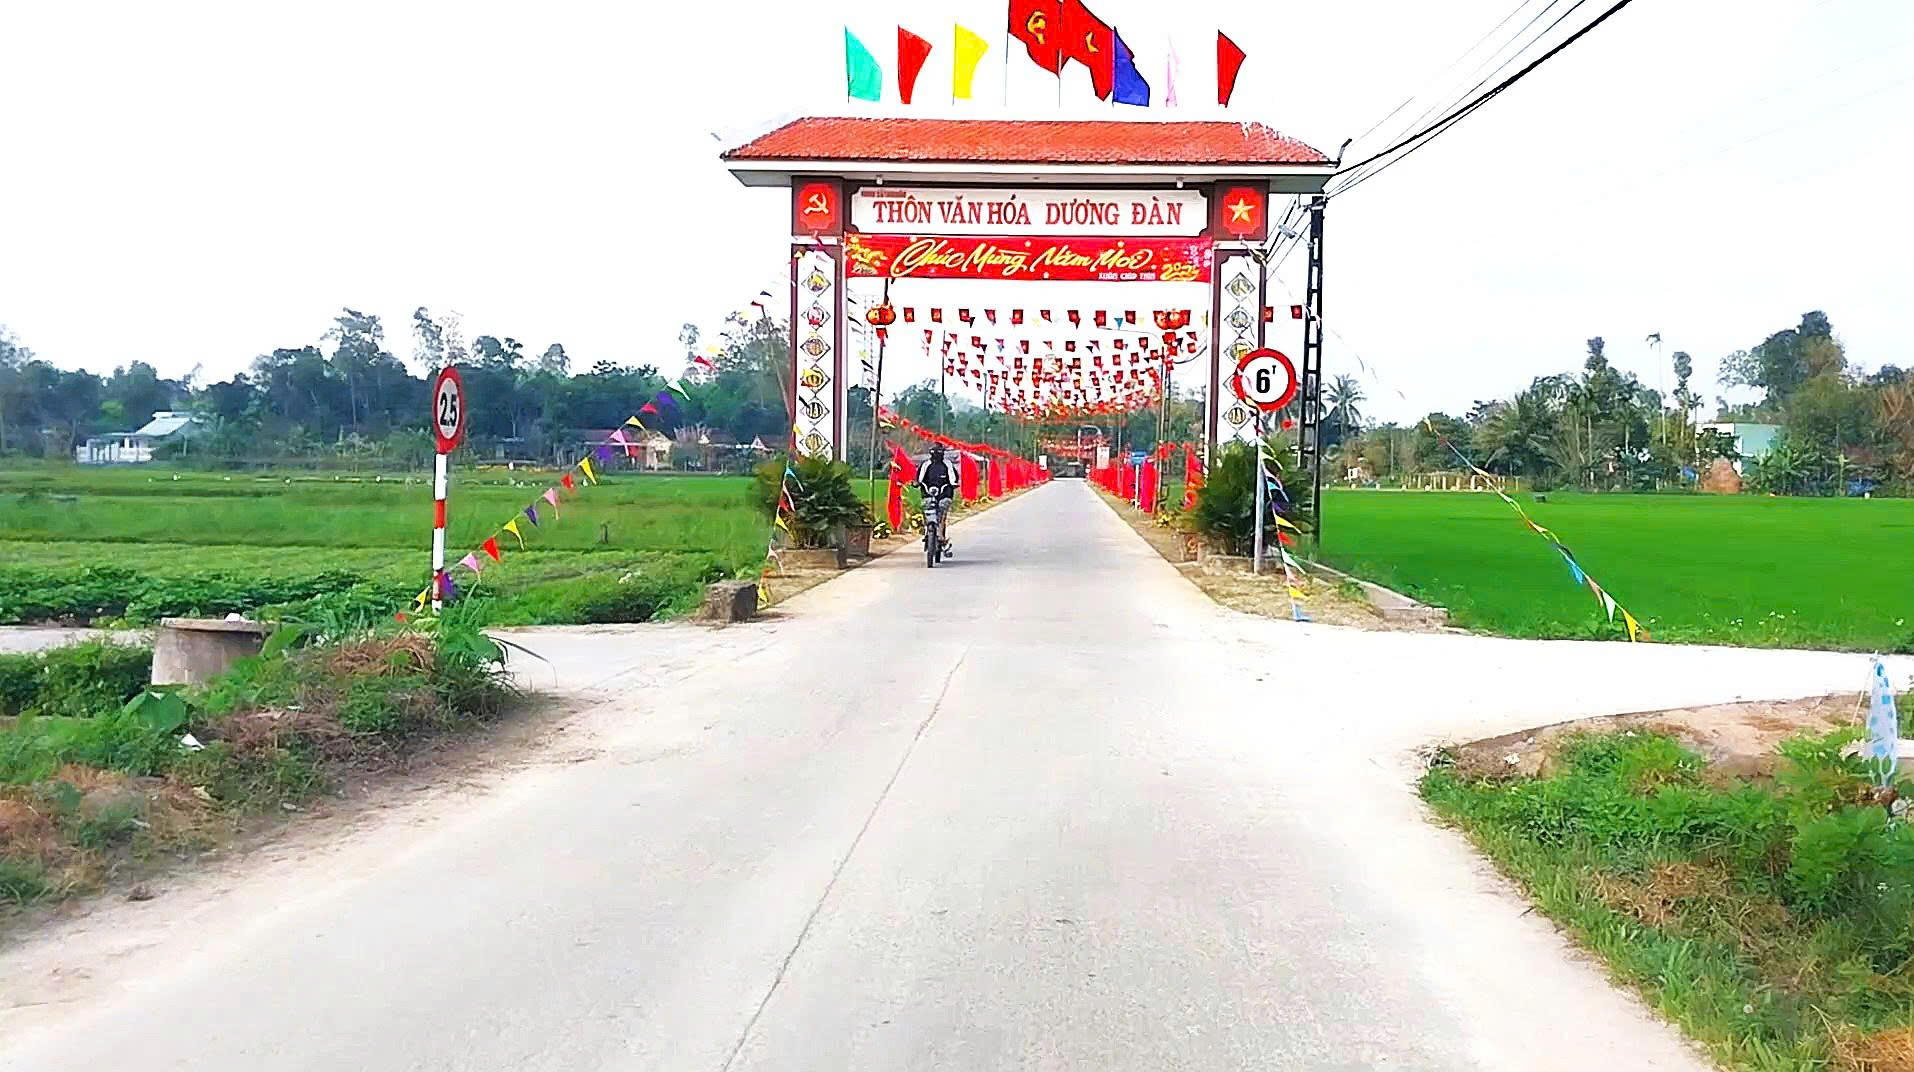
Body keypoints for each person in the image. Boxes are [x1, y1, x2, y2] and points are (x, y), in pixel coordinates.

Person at [916, 443, 957, 557]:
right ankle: (926, 528)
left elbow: (953, 478)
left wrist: (953, 484)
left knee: (942, 513)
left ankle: (941, 537)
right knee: (927, 508)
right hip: (928, 493)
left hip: (945, 494)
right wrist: (917, 483)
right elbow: (919, 479)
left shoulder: (948, 464)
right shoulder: (926, 464)